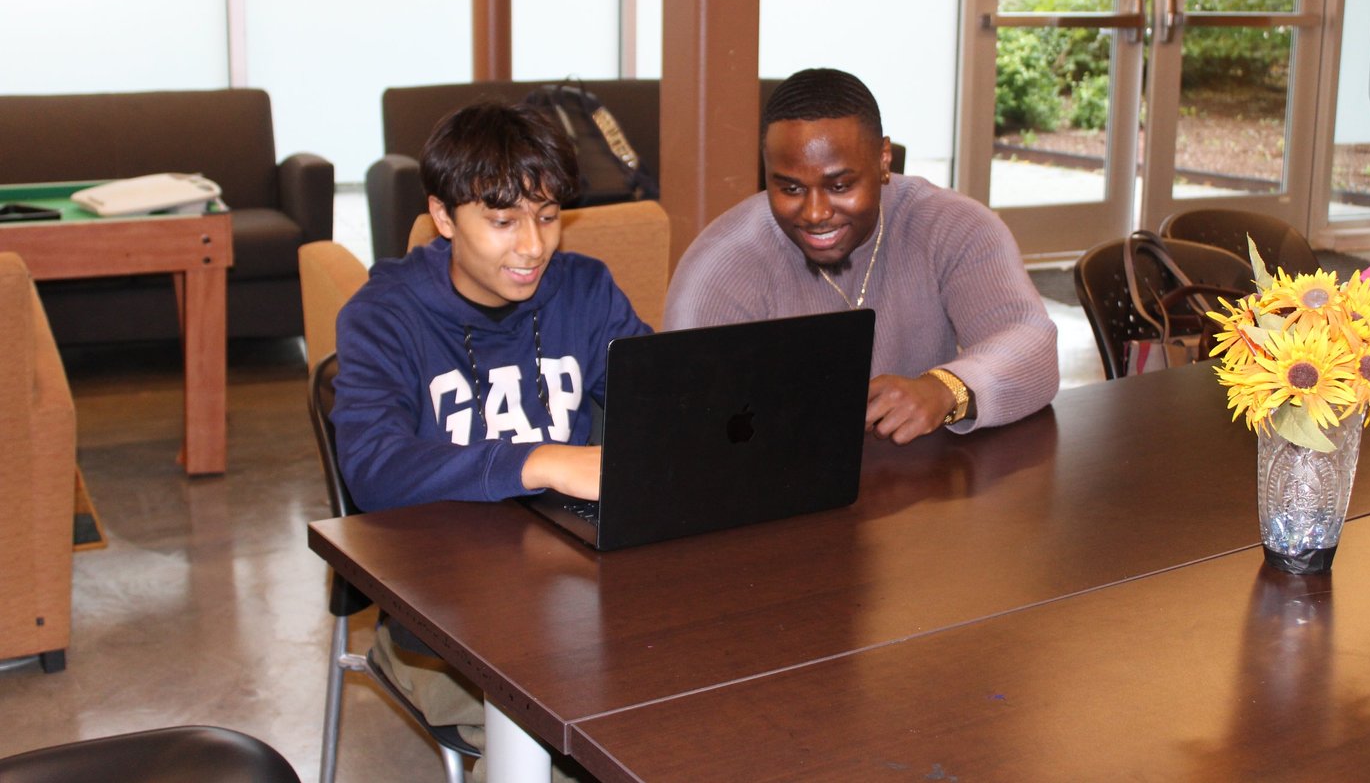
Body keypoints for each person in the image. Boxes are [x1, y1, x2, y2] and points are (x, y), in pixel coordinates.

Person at [332, 99, 649, 781]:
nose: (532, 246)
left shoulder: (585, 291)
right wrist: (540, 461)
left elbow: (659, 403)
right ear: (444, 217)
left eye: (548, 216)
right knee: (577, 750)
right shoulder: (384, 316)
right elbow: (373, 469)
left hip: (578, 596)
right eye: (503, 222)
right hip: (439, 622)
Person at [664, 67, 1058, 443]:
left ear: (884, 159)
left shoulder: (951, 226)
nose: (815, 213)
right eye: (791, 189)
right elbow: (688, 417)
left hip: (925, 477)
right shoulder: (721, 265)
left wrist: (946, 389)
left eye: (839, 186)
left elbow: (1031, 342)